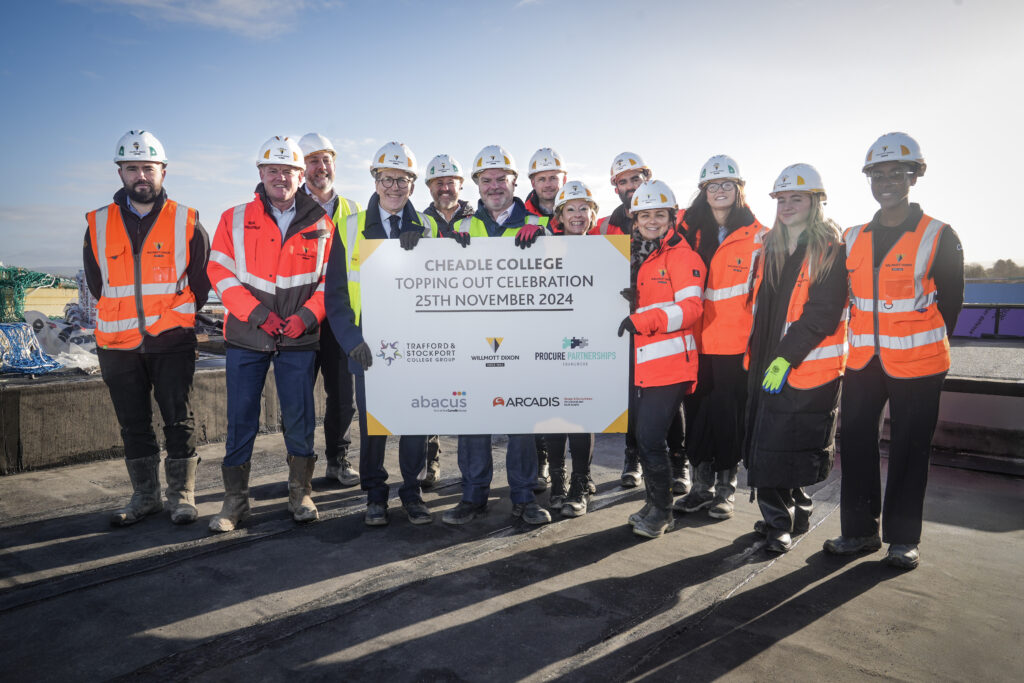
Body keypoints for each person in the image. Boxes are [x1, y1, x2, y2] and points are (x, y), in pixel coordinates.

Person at [824, 132, 964, 570]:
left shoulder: (939, 234)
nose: (886, 181)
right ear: (869, 180)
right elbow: (833, 299)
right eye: (878, 174)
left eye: (897, 173)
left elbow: (953, 304)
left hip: (920, 365)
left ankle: (903, 539)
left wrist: (925, 348)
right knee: (856, 442)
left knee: (909, 448)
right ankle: (859, 532)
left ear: (915, 176)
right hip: (864, 361)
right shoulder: (852, 236)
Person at [206, 136, 333, 532]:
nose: (281, 178)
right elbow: (219, 272)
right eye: (273, 170)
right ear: (260, 174)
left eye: (289, 171)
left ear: (301, 176)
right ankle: (234, 502)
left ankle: (301, 493)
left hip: (299, 337)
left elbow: (332, 281)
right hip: (247, 335)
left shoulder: (321, 223)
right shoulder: (234, 217)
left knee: (300, 417)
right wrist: (259, 314)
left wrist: (307, 318)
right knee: (241, 418)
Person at [85, 130, 210, 527]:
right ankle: (145, 496)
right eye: (133, 168)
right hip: (117, 343)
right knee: (133, 422)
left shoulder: (186, 220)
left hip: (171, 339)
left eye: (149, 168)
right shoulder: (99, 223)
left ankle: (182, 495)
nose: (142, 175)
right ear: (120, 172)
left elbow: (201, 281)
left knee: (178, 418)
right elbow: (96, 282)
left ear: (163, 171)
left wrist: (174, 317)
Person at [324, 141, 439, 526]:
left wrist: (426, 246)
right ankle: (375, 493)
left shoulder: (428, 225)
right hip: (367, 346)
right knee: (374, 425)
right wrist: (351, 341)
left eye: (403, 180)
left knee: (414, 423)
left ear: (412, 184)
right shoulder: (349, 227)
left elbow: (443, 281)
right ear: (375, 181)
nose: (395, 187)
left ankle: (412, 490)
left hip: (416, 343)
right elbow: (336, 294)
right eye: (387, 178)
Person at [441, 144, 551, 526]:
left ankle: (524, 496)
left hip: (521, 340)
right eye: (485, 180)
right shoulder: (460, 227)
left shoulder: (539, 226)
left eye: (500, 179)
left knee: (521, 423)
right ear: (476, 184)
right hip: (473, 338)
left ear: (514, 182)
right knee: (473, 423)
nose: (493, 186)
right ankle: (473, 497)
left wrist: (546, 242)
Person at [744, 164, 848, 553]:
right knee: (769, 439)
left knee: (781, 443)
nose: (787, 206)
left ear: (816, 202)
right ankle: (795, 512)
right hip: (764, 360)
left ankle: (778, 524)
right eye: (781, 199)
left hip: (802, 364)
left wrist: (785, 358)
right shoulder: (769, 247)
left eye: (797, 198)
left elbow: (823, 312)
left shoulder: (829, 251)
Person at [675, 155, 767, 521]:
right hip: (694, 341)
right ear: (703, 191)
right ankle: (701, 487)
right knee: (696, 415)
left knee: (729, 418)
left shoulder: (758, 235)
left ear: (739, 189)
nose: (719, 191)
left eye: (727, 184)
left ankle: (725, 490)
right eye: (712, 186)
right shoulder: (686, 231)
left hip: (734, 345)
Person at [617, 179, 705, 538]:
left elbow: (691, 309)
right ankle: (654, 503)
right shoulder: (647, 256)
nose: (652, 221)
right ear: (635, 220)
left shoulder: (683, 257)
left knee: (652, 438)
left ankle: (662, 513)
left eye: (659, 214)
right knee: (644, 435)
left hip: (671, 364)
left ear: (672, 217)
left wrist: (643, 318)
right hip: (646, 363)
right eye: (644, 215)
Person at [298, 132, 362, 488]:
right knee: (299, 399)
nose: (320, 167)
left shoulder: (354, 210)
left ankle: (338, 460)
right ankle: (301, 466)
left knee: (343, 398)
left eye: (326, 160)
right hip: (302, 319)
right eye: (312, 160)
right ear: (301, 166)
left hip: (340, 318)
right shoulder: (290, 206)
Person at [544, 181, 599, 516]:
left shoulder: (607, 251)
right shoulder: (545, 248)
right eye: (570, 209)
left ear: (593, 214)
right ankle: (558, 480)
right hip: (550, 342)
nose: (577, 215)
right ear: (559, 215)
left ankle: (580, 482)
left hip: (586, 344)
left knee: (580, 416)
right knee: (553, 414)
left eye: (584, 208)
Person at [420, 153, 475, 488]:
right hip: (430, 322)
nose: (444, 187)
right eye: (437, 182)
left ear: (460, 184)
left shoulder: (478, 218)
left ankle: (470, 470)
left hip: (469, 324)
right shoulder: (415, 222)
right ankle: (431, 463)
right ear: (429, 187)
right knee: (431, 398)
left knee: (469, 399)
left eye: (449, 181)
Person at [523, 147, 567, 493]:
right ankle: (541, 466)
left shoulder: (579, 212)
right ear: (532, 182)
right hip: (534, 322)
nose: (549, 184)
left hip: (571, 319)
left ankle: (574, 471)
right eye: (542, 178)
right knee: (537, 396)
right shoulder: (521, 218)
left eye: (554, 177)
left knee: (576, 399)